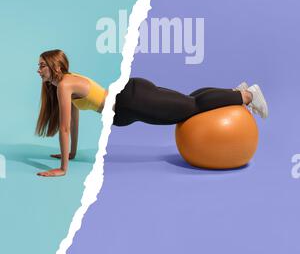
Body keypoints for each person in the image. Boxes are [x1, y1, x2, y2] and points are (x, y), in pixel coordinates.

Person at [36, 49, 268, 177]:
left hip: (133, 102)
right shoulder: (67, 82)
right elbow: (73, 121)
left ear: (56, 67)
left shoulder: (64, 85)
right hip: (132, 96)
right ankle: (235, 92)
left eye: (42, 65)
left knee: (193, 106)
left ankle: (246, 96)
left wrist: (63, 169)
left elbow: (64, 127)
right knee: (190, 101)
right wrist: (72, 154)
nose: (38, 70)